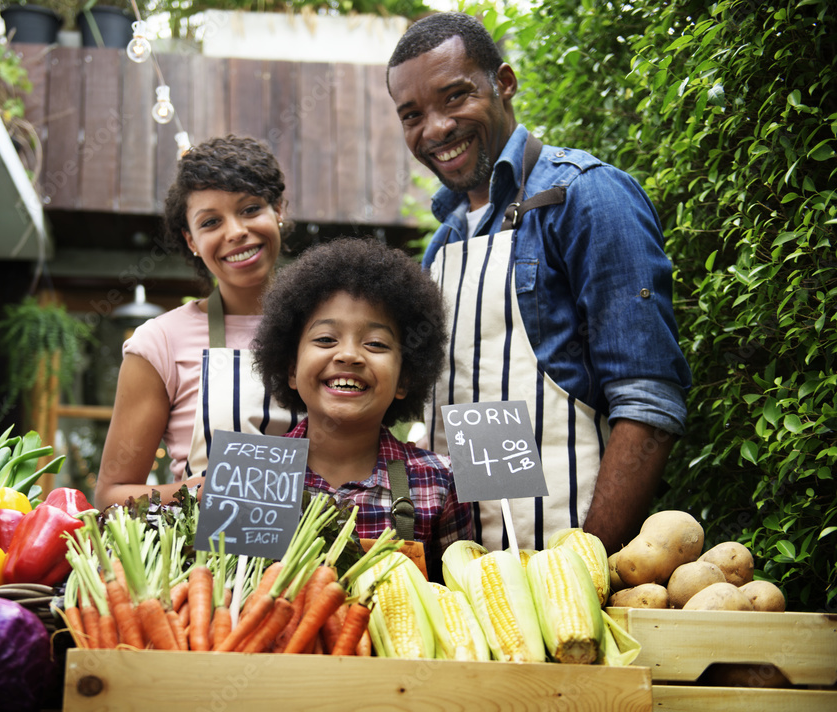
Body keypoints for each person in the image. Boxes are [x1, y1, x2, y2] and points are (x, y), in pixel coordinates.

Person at [386, 12, 692, 554]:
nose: (434, 128)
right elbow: (468, 412)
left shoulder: (587, 197)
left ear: (503, 84)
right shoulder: (442, 248)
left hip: (576, 566)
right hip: (467, 576)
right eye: (413, 115)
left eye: (454, 97)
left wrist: (584, 567)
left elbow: (649, 404)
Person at [94, 135, 298, 510]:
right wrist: (206, 490)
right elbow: (111, 496)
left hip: (326, 558)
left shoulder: (327, 327)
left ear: (279, 210)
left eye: (251, 209)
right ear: (191, 239)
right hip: (209, 559)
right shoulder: (159, 342)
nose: (235, 231)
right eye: (211, 222)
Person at [252, 237, 474, 578]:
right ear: (291, 369)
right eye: (326, 339)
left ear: (405, 379)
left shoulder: (441, 482)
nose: (349, 355)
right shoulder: (251, 474)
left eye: (375, 343)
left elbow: (458, 602)